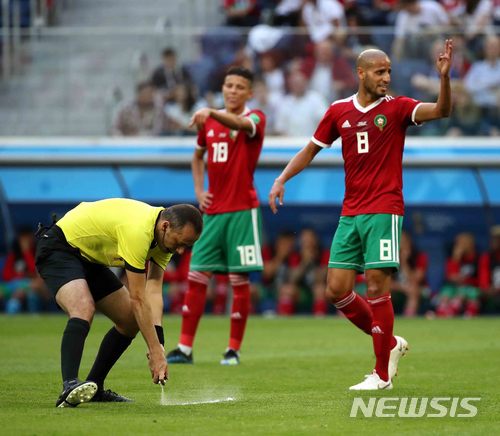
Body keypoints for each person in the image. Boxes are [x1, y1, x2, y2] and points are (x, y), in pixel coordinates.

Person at [269, 40, 453, 390]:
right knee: (336, 289)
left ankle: (382, 374)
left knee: (376, 286)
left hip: (384, 209)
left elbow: (442, 111)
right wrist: (281, 179)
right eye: (380, 71)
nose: (386, 77)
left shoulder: (398, 108)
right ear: (361, 73)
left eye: (389, 71)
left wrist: (444, 78)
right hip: (351, 211)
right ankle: (390, 342)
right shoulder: (338, 111)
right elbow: (310, 149)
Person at [35, 198, 202, 407]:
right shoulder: (139, 231)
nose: (180, 251)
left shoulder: (164, 239)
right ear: (165, 226)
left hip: (89, 258)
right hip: (59, 247)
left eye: (186, 246)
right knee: (83, 307)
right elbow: (138, 298)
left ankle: (95, 387)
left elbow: (153, 290)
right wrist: (154, 351)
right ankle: (69, 385)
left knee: (130, 321)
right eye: (179, 243)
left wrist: (158, 344)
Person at [166, 66, 266, 366]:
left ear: (249, 93)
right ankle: (184, 348)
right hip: (211, 213)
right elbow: (197, 156)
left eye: (239, 87)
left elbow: (239, 123)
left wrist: (210, 111)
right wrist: (199, 191)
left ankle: (233, 350)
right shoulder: (209, 123)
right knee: (196, 276)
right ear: (223, 88)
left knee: (239, 280)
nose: (232, 91)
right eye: (228, 85)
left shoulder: (255, 118)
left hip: (242, 211)